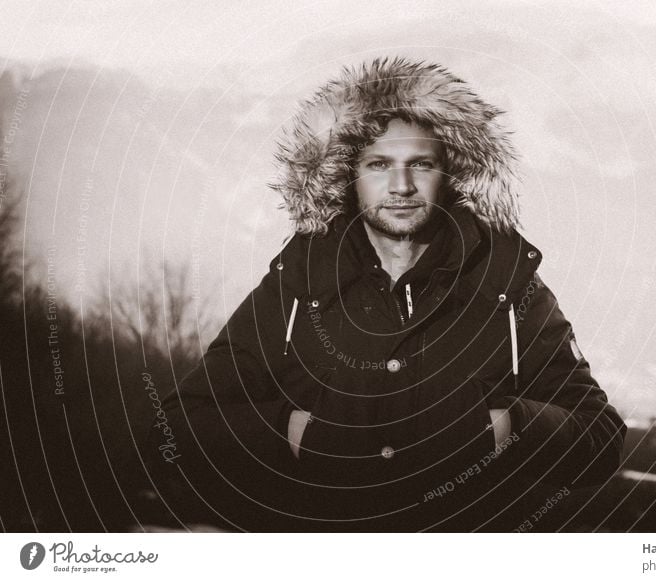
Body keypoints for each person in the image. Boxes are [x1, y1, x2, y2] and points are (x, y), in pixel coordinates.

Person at [148, 57, 626, 532]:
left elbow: (601, 437)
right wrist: (292, 434)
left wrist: (507, 428)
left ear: (451, 173)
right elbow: (174, 427)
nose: (401, 186)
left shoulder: (507, 285)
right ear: (346, 175)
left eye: (421, 164)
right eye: (379, 165)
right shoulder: (298, 282)